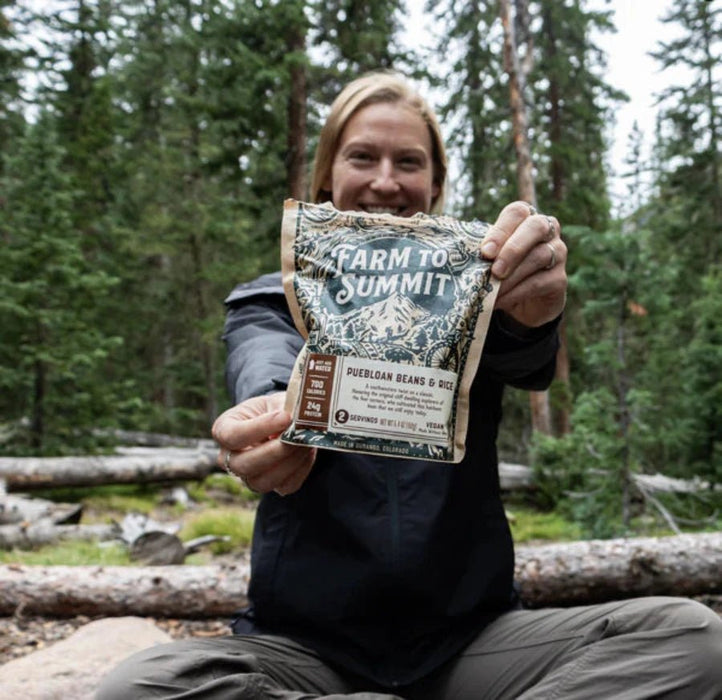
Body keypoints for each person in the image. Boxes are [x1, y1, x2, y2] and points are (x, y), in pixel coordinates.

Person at [97, 71, 722, 700]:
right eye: (362, 156)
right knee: (139, 687)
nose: (386, 181)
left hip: (474, 643)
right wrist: (267, 417)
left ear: (437, 187)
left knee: (692, 639)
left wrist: (535, 310)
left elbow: (525, 354)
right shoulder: (270, 301)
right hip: (305, 649)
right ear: (325, 180)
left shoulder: (477, 303)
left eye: (410, 162)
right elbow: (265, 360)